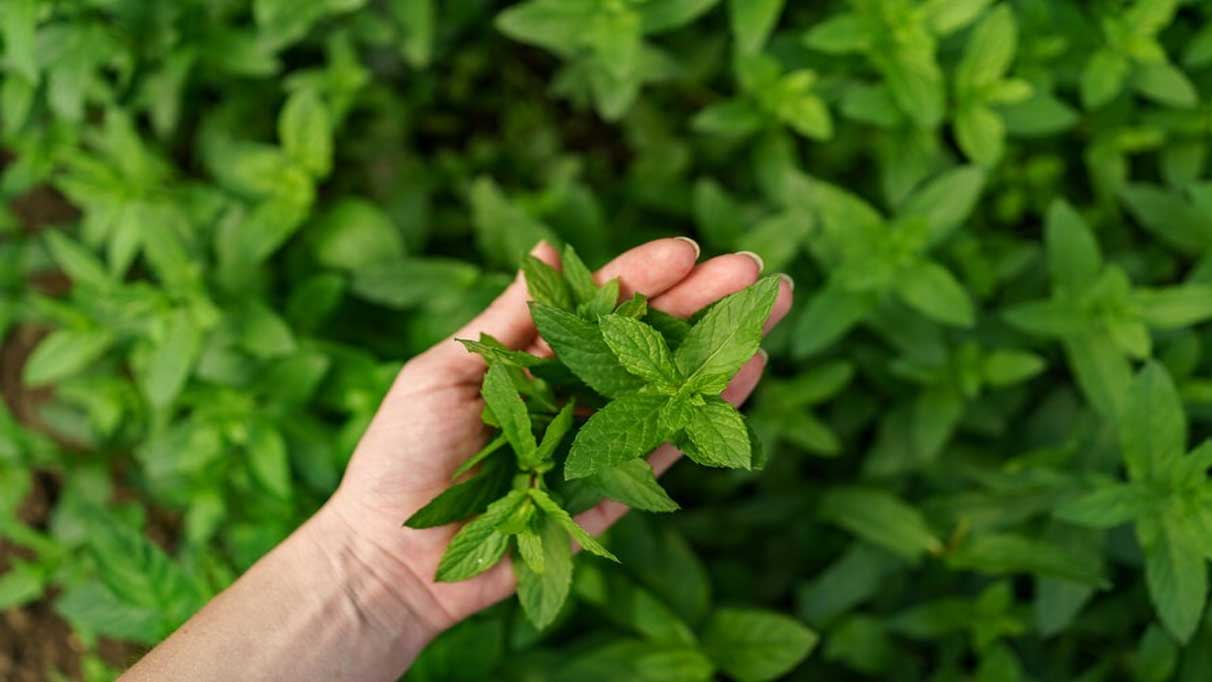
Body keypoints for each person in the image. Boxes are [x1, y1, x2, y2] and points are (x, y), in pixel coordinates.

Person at [119, 237, 794, 681]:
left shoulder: (664, 404)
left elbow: (628, 427)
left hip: (629, 399)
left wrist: (365, 568)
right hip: (577, 431)